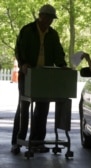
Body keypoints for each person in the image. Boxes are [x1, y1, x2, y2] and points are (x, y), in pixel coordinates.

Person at [11, 4, 67, 154]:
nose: (50, 21)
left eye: (52, 19)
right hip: (28, 74)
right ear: (40, 16)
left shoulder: (53, 34)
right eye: (48, 17)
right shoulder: (27, 30)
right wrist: (23, 64)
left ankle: (37, 142)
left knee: (43, 109)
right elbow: (19, 49)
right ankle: (17, 141)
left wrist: (62, 65)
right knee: (23, 108)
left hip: (45, 76)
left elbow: (58, 52)